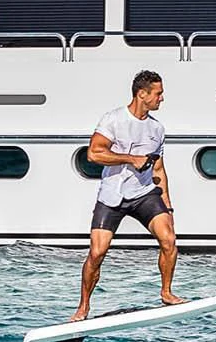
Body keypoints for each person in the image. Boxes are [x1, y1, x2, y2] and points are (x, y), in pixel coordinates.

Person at [70, 70, 184, 322]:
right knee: (97, 253)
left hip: (144, 194)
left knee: (169, 240)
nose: (161, 99)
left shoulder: (157, 129)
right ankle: (83, 307)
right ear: (142, 94)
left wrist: (168, 206)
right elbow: (94, 154)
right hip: (112, 196)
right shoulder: (113, 120)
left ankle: (166, 293)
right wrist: (130, 159)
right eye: (158, 93)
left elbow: (158, 169)